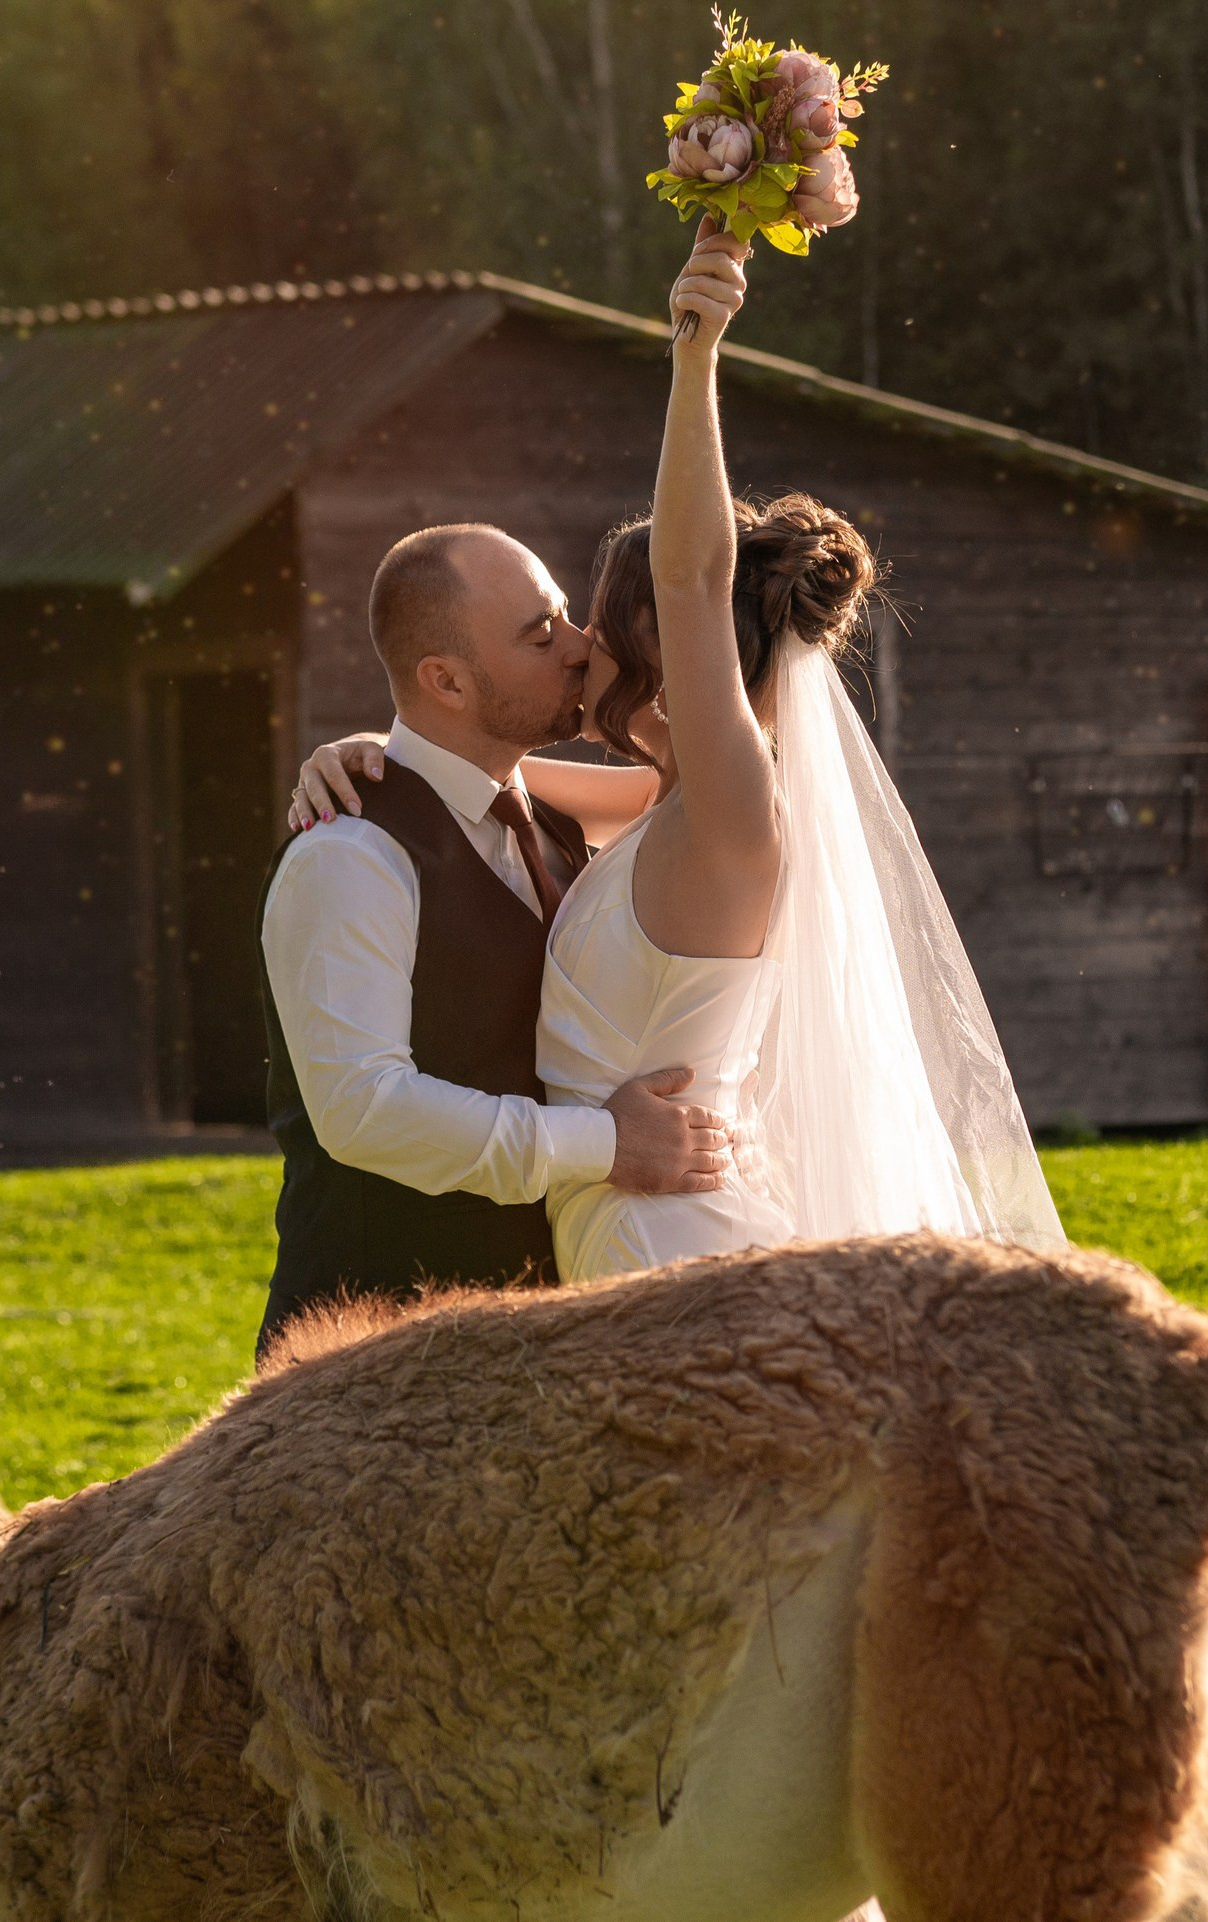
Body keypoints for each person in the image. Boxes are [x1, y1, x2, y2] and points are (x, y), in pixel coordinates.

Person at [289, 216, 1064, 1284]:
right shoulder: (656, 804)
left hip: (676, 1240)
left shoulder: (737, 813)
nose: (582, 643)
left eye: (596, 617)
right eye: (549, 628)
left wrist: (694, 349)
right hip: (605, 1246)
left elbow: (695, 578)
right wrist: (362, 752)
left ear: (667, 642)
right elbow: (462, 785)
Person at [254, 509, 737, 1357]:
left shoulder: (546, 820)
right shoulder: (348, 853)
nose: (582, 647)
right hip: (370, 1352)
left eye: (565, 618)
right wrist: (606, 1145)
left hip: (530, 1334)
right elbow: (362, 1112)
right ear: (447, 682)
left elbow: (696, 781)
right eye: (540, 634)